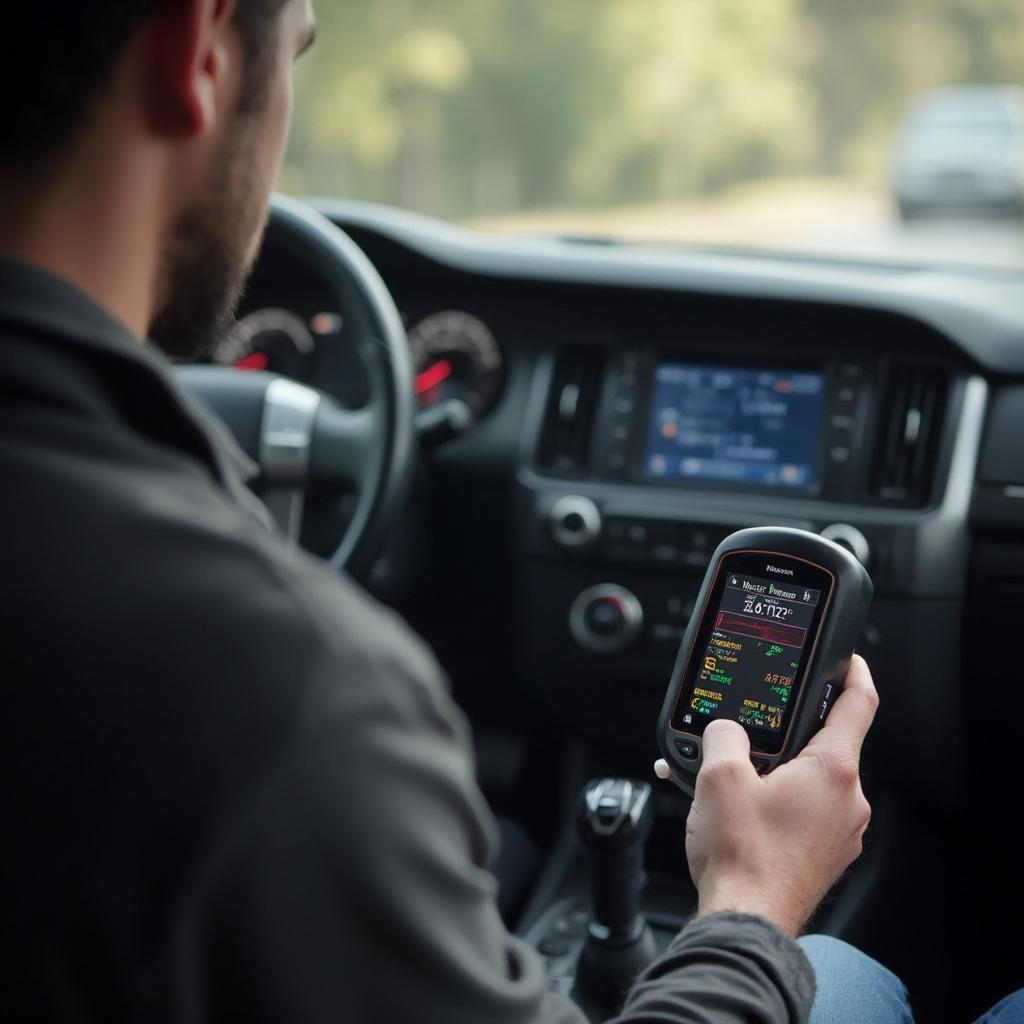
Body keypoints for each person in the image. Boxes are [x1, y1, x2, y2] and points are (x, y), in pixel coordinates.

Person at [0, 1, 991, 1021]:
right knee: (847, 977)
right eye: (296, 42)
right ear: (196, 47)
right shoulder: (281, 688)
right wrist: (750, 901)